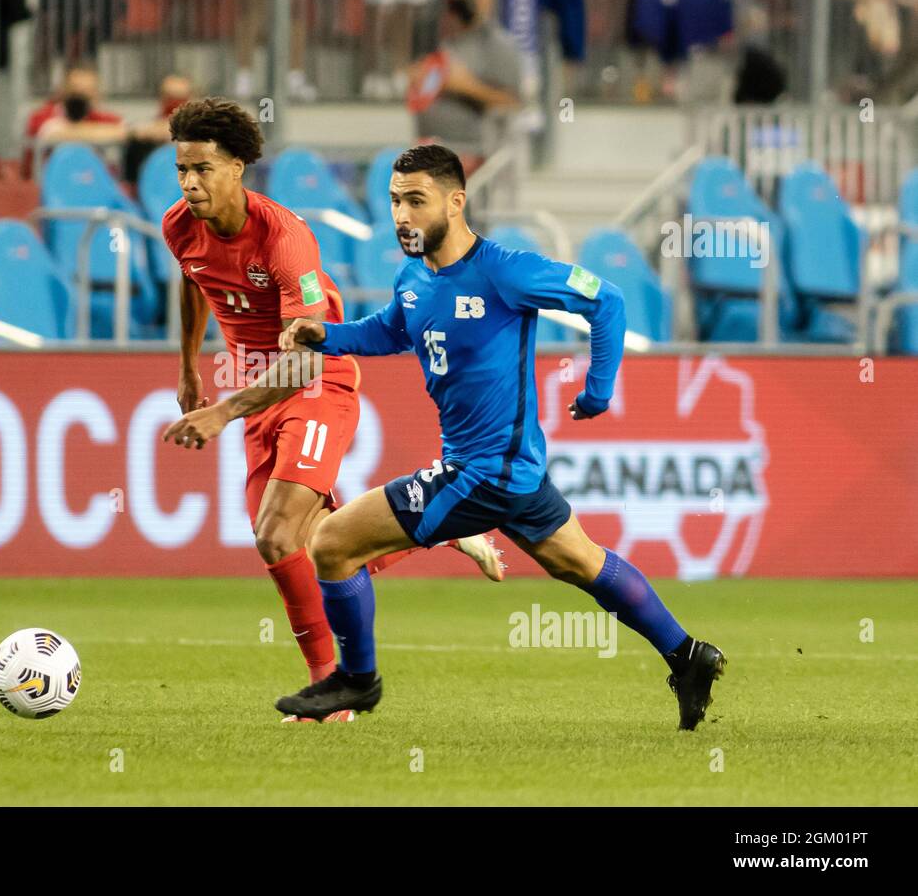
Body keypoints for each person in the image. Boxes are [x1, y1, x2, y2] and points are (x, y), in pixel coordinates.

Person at [273, 144, 726, 730]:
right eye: (394, 201)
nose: (402, 215)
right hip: (514, 470)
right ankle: (687, 656)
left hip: (487, 470)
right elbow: (389, 331)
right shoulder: (413, 277)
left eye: (416, 200)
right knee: (579, 563)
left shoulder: (504, 270)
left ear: (456, 202)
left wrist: (598, 389)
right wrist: (324, 336)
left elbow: (606, 300)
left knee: (332, 543)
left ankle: (358, 680)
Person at [158, 102, 503, 715]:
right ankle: (445, 529)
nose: (189, 182)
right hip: (252, 387)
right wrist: (189, 366)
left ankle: (335, 690)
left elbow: (306, 359)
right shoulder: (179, 225)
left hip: (315, 381)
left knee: (276, 529)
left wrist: (223, 412)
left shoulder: (287, 240)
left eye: (203, 169)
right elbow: (193, 278)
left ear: (238, 168)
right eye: (181, 168)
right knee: (291, 546)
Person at [409, 0, 521, 175]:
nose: (464, 1)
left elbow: (513, 103)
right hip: (431, 152)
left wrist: (467, 86)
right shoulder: (442, 38)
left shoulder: (499, 45)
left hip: (474, 157)